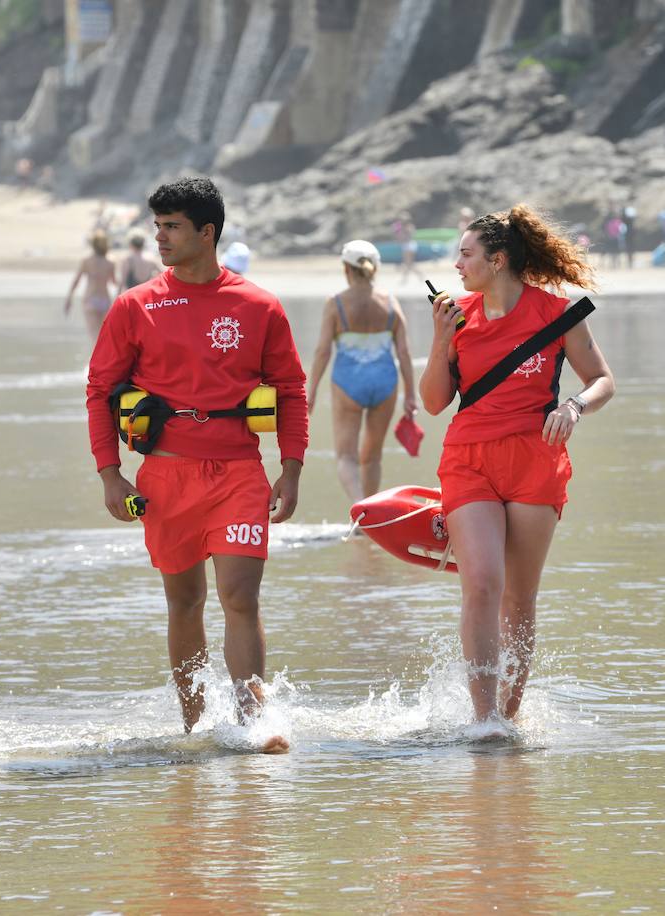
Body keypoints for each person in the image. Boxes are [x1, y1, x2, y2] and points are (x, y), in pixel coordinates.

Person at [84, 177, 307, 752]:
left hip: (238, 472)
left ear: (206, 233)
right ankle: (194, 725)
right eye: (157, 226)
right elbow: (99, 389)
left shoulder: (258, 305)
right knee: (184, 602)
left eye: (172, 227)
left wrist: (292, 467)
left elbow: (291, 388)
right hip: (164, 476)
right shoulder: (135, 305)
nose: (160, 237)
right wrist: (110, 474)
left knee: (240, 596)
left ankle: (250, 723)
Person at [420, 204, 615, 733]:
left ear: (498, 259)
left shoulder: (558, 313)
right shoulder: (456, 315)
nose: (457, 264)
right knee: (481, 582)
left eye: (466, 254)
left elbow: (602, 380)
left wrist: (573, 406)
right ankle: (484, 719)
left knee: (518, 595)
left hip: (536, 460)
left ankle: (510, 713)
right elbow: (435, 402)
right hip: (469, 459)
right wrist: (440, 340)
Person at [305, 240, 418, 502]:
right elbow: (404, 353)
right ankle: (371, 516)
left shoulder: (336, 303)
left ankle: (360, 510)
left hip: (348, 382)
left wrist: (311, 391)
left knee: (346, 456)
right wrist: (411, 394)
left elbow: (323, 351)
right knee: (373, 456)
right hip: (385, 382)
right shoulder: (390, 302)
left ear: (346, 268)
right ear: (375, 268)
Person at [64, 229, 118, 338]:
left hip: (90, 298)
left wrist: (69, 298)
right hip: (104, 299)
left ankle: (94, 355)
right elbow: (114, 282)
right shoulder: (110, 262)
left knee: (94, 334)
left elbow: (76, 281)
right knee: (103, 335)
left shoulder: (87, 261)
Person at [394, 212, 423, 284]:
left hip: (408, 246)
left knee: (408, 264)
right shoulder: (406, 227)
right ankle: (406, 279)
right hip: (408, 245)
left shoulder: (407, 227)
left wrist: (400, 233)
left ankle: (419, 276)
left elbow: (405, 237)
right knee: (408, 264)